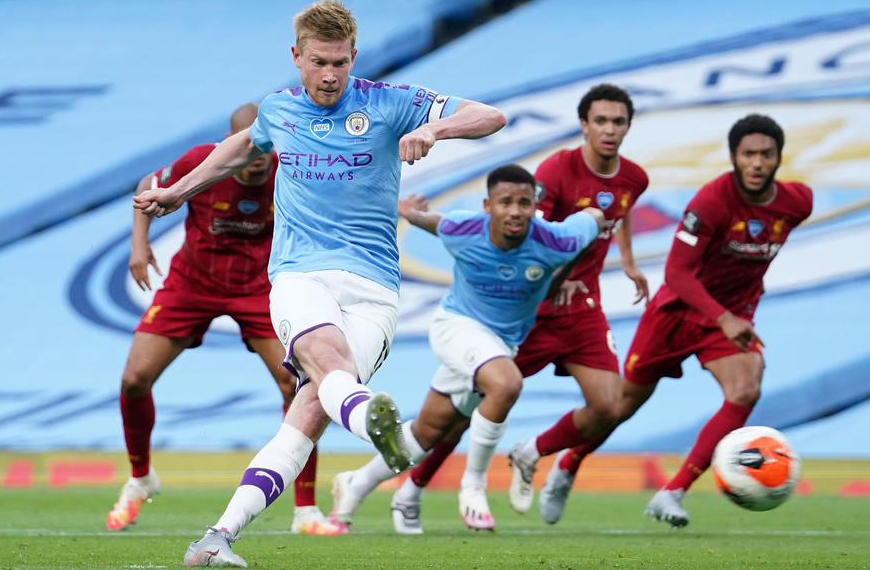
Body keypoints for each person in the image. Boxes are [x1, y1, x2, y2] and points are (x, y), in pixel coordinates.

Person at [133, 0, 505, 567]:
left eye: (340, 63)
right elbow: (242, 146)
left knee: (309, 411)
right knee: (326, 359)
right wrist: (180, 191)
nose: (330, 75)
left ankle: (216, 538)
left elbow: (490, 115)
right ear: (297, 58)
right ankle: (369, 420)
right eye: (318, 63)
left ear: (353, 56)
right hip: (300, 272)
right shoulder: (279, 109)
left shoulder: (389, 103)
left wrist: (436, 128)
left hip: (377, 284)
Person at [366, 83, 651, 533]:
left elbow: (619, 211)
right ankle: (412, 488)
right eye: (601, 120)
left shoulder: (634, 178)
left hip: (582, 307)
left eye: (618, 121)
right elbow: (535, 239)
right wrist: (557, 280)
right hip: (530, 310)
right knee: (467, 409)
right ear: (584, 125)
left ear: (629, 127)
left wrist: (630, 263)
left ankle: (532, 452)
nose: (609, 129)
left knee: (610, 405)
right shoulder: (556, 173)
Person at [551, 113, 812, 528]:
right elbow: (677, 274)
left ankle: (673, 492)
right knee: (620, 406)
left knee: (745, 390)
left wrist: (732, 313)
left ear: (780, 158)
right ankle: (569, 462)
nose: (758, 163)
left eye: (766, 154)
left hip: (731, 319)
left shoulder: (798, 203)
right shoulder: (711, 201)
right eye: (749, 154)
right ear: (733, 157)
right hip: (676, 314)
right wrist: (723, 316)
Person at [107, 103, 342, 536]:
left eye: (263, 150)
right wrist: (139, 245)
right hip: (192, 283)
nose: (255, 161)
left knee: (300, 386)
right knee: (134, 379)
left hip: (259, 289)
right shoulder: (199, 162)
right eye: (247, 150)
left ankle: (306, 510)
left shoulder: (290, 168)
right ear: (229, 145)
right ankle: (141, 478)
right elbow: (149, 185)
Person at [327, 164, 604, 533]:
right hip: (456, 328)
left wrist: (568, 266)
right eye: (506, 202)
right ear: (487, 206)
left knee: (426, 434)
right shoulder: (464, 228)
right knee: (506, 384)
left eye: (525, 203)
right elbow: (433, 222)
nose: (516, 211)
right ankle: (474, 485)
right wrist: (410, 211)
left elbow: (596, 219)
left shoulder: (557, 240)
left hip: (501, 343)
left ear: (535, 206)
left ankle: (354, 485)